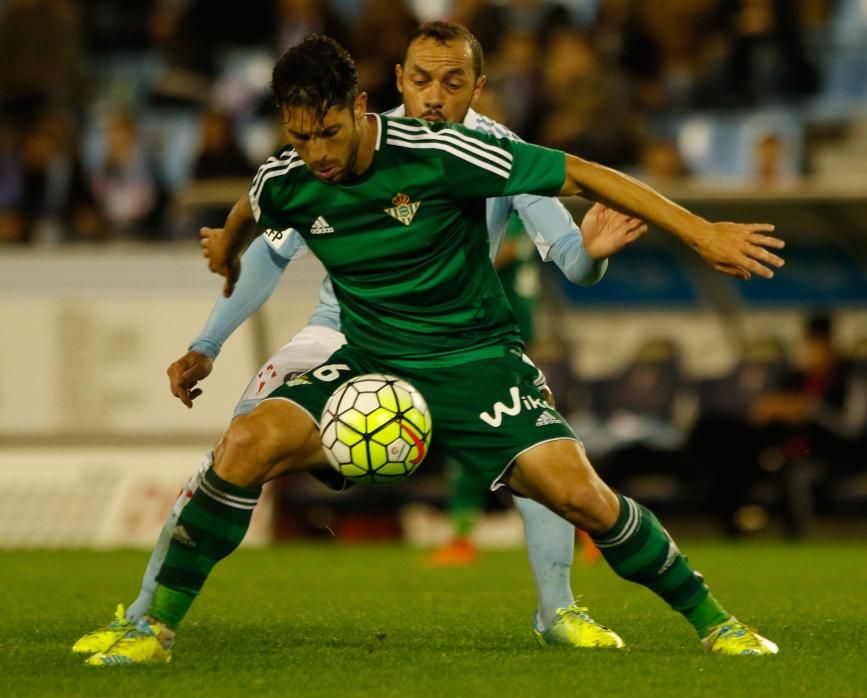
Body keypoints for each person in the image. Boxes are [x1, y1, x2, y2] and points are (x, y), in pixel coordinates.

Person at [77, 31, 784, 665]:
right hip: (365, 354)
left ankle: (713, 623)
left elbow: (579, 172)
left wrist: (701, 234)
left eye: (327, 132)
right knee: (242, 445)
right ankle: (154, 629)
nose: (316, 154)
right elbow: (252, 207)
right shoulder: (288, 176)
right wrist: (225, 253)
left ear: (359, 105)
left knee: (582, 498)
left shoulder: (441, 153)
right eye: (299, 137)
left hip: (472, 358)